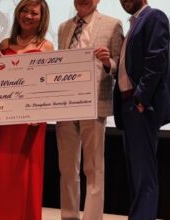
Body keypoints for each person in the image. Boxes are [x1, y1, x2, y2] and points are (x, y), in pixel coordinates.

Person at [0, 1, 53, 219]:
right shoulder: (4, 43)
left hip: (32, 120)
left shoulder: (46, 46)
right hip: (7, 118)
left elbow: (47, 86)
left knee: (27, 169)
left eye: (34, 13)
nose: (28, 16)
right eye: (24, 11)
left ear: (41, 18)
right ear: (18, 14)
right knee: (3, 166)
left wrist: (41, 113)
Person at [55, 0, 124, 219]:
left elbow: (120, 65)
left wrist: (107, 63)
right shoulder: (64, 27)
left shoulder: (113, 24)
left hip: (94, 105)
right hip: (65, 105)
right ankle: (69, 216)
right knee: (67, 168)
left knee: (94, 168)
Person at [114, 0, 170, 219]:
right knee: (135, 172)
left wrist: (141, 98)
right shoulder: (133, 24)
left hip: (139, 104)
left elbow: (156, 59)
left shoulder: (154, 17)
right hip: (128, 105)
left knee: (144, 173)